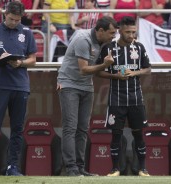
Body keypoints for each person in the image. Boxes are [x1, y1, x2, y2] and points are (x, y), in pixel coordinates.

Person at [0, 1, 37, 176]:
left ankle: (13, 167)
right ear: (5, 14)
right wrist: (0, 58)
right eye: (11, 19)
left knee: (17, 128)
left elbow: (33, 60)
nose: (14, 22)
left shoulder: (27, 32)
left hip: (20, 86)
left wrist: (20, 62)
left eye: (17, 20)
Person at [57, 16, 117, 176]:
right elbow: (84, 69)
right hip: (69, 84)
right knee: (70, 127)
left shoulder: (103, 42)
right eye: (111, 33)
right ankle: (71, 169)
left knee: (83, 128)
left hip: (86, 86)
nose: (113, 36)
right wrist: (105, 65)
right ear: (101, 30)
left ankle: (80, 168)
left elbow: (94, 71)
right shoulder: (83, 39)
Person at [96, 16, 151, 177]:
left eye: (133, 32)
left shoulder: (139, 47)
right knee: (116, 135)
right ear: (120, 30)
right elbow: (98, 71)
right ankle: (115, 169)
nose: (131, 35)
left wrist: (134, 72)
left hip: (136, 99)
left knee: (138, 134)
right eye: (128, 32)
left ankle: (143, 168)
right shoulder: (108, 48)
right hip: (116, 99)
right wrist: (115, 75)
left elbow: (148, 69)